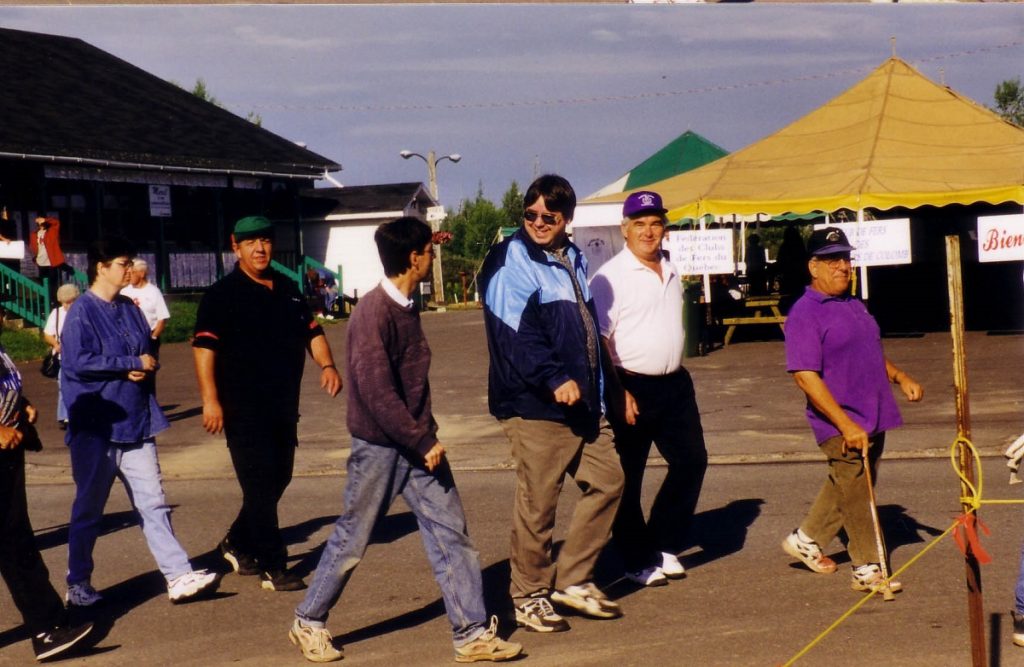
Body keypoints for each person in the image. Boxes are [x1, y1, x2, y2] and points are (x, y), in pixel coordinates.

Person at [290, 217, 521, 664]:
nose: (432, 256)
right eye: (429, 251)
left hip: (416, 441)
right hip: (380, 446)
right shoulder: (373, 313)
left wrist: (423, 434)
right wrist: (421, 439)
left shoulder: (408, 305)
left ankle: (471, 634)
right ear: (413, 258)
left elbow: (410, 385)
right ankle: (308, 621)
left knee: (451, 533)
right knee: (353, 538)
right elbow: (376, 392)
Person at [479, 174, 625, 633]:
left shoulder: (573, 256)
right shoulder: (510, 261)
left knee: (609, 481)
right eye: (531, 214)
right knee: (539, 503)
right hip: (533, 404)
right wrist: (554, 378)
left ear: (567, 220)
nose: (538, 222)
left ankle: (574, 579)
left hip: (581, 402)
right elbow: (514, 336)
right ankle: (527, 595)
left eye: (550, 216)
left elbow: (583, 328)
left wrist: (607, 389)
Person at [61, 237, 218, 607]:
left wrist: (145, 365)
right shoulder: (81, 311)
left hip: (136, 421)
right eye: (122, 263)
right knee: (88, 510)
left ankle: (178, 575)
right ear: (100, 267)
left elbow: (147, 350)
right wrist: (129, 366)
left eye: (130, 262)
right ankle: (77, 584)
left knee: (154, 503)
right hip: (95, 427)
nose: (129, 269)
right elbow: (76, 362)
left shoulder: (131, 308)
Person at [192, 215, 342, 592]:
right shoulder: (222, 295)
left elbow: (313, 331)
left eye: (265, 241)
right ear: (235, 246)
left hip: (282, 406)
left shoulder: (289, 289)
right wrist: (210, 400)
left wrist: (327, 365)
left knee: (278, 479)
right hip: (242, 409)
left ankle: (236, 541)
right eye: (250, 242)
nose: (260, 249)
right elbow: (204, 350)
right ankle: (273, 566)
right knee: (259, 485)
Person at [781, 226, 923, 593]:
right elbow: (805, 377)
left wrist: (899, 376)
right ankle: (867, 568)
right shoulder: (804, 313)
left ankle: (806, 539)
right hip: (839, 419)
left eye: (845, 259)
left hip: (873, 413)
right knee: (858, 492)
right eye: (831, 261)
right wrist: (844, 424)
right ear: (813, 267)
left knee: (849, 482)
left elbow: (870, 352)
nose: (842, 267)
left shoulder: (853, 304)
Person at [589, 190, 708, 588]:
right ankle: (636, 559)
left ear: (665, 228)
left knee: (692, 461)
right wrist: (618, 392)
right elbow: (600, 341)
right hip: (631, 386)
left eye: (655, 224)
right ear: (625, 229)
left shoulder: (671, 269)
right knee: (628, 478)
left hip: (674, 384)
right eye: (639, 224)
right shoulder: (608, 277)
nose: (648, 231)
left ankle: (663, 544)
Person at [0, 301, 95, 661]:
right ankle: (47, 625)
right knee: (14, 543)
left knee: (15, 542)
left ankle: (49, 625)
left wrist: (19, 403)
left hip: (9, 455)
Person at [42, 283, 80, 429]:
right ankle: (65, 416)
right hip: (62, 356)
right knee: (63, 384)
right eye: (65, 302)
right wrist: (56, 344)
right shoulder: (56, 313)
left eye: (70, 302)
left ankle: (75, 413)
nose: (67, 305)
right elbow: (47, 334)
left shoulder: (81, 312)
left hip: (79, 354)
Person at [121, 258, 170, 359]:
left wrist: (153, 337)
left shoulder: (153, 292)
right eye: (128, 272)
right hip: (128, 336)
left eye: (133, 272)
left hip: (148, 336)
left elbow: (162, 318)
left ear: (142, 274)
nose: (129, 275)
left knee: (148, 368)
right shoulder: (124, 291)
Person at [29, 216, 68, 304]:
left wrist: (45, 219)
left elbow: (56, 222)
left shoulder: (52, 231)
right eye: (39, 223)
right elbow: (33, 246)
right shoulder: (34, 234)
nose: (41, 224)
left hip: (51, 262)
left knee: (53, 283)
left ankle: (54, 301)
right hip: (40, 262)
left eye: (43, 223)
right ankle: (44, 300)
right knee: (43, 283)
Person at [773, 225, 810, 313]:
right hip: (800, 280)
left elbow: (780, 263)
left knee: (788, 303)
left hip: (788, 280)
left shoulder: (784, 247)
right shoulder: (800, 246)